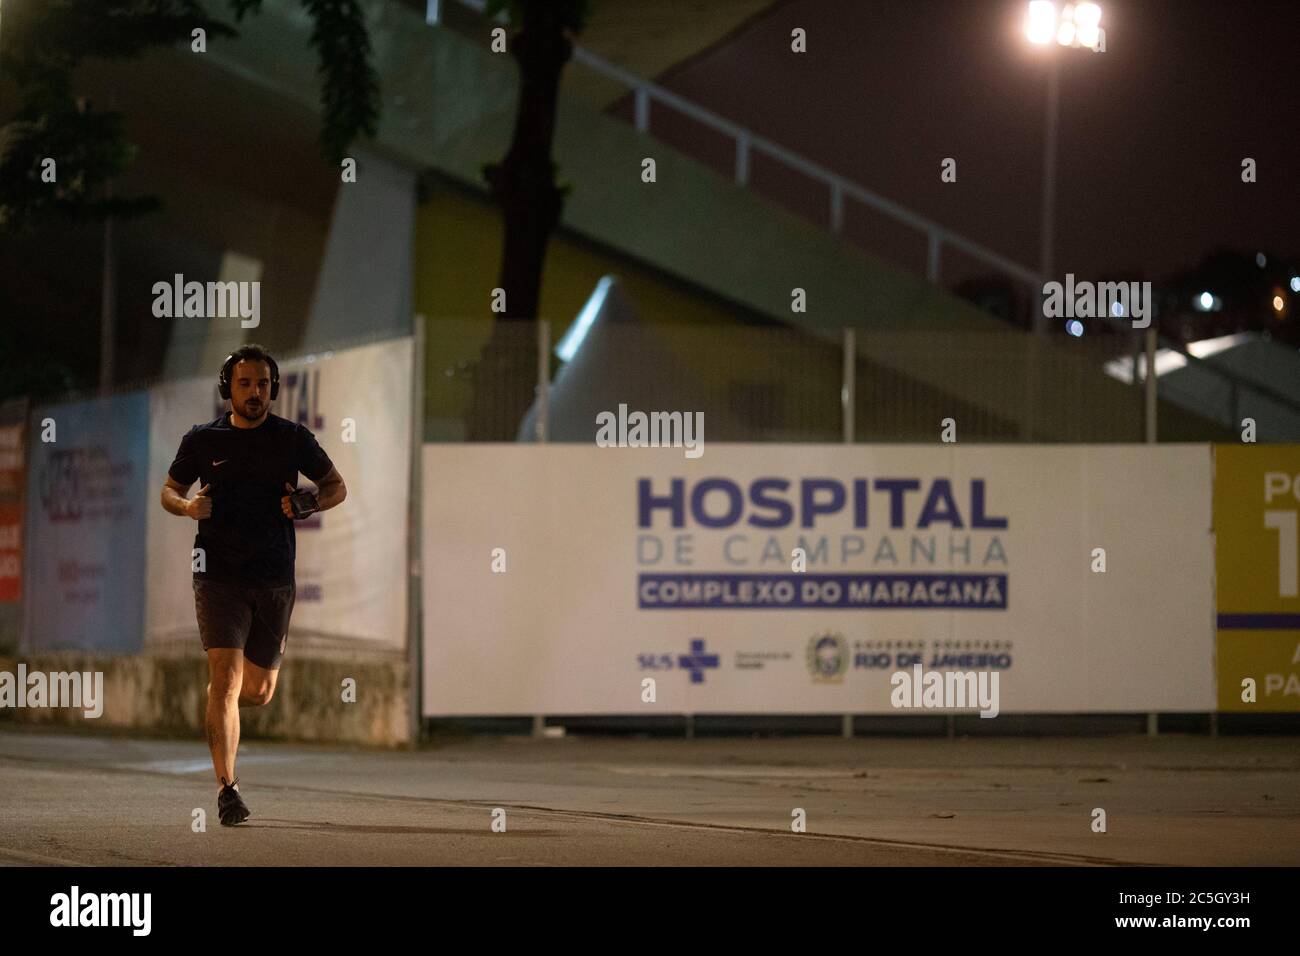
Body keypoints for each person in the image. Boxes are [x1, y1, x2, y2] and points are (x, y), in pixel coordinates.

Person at [159, 344, 347, 826]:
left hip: (274, 577)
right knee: (225, 678)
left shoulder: (292, 438)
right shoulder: (202, 440)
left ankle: (218, 704)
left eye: (263, 384)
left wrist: (309, 504)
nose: (255, 393)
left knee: (258, 691)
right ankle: (228, 790)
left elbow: (336, 487)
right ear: (228, 389)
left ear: (273, 389)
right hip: (217, 575)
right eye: (245, 383)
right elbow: (169, 491)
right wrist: (187, 508)